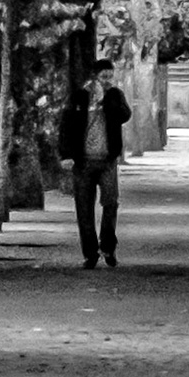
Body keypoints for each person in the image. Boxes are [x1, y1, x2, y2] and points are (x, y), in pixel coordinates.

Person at [58, 59, 132, 268]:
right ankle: (90, 254)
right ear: (95, 77)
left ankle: (108, 246)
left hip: (107, 160)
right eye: (104, 77)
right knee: (84, 208)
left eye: (110, 76)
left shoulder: (115, 95)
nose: (108, 81)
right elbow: (66, 125)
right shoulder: (79, 97)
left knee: (110, 203)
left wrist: (105, 99)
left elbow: (124, 116)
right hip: (83, 162)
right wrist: (66, 154)